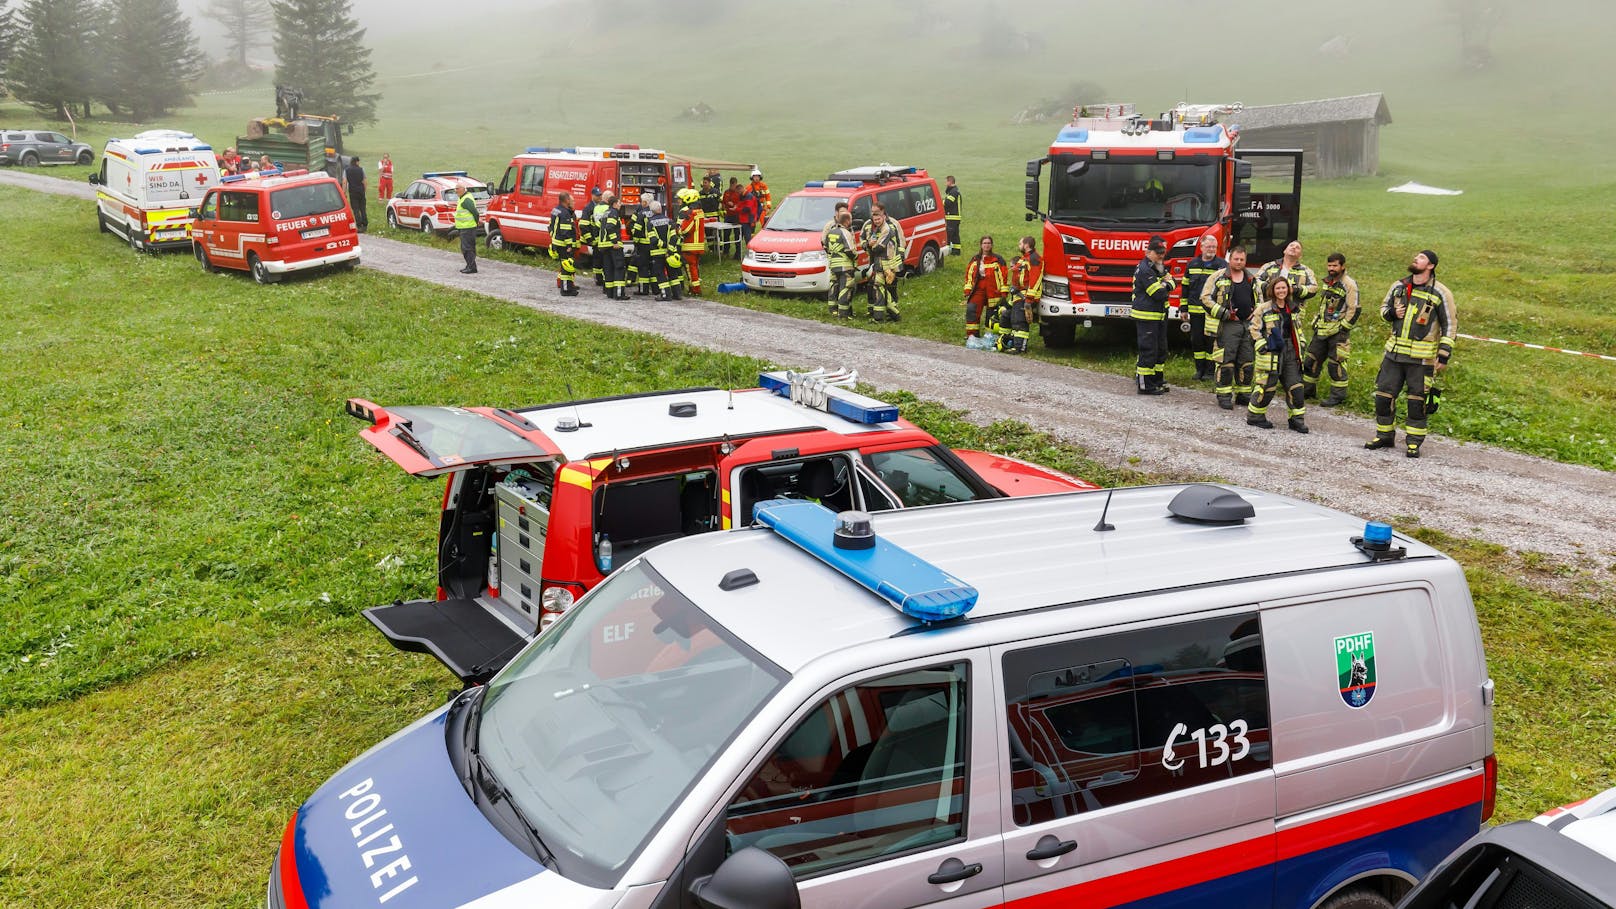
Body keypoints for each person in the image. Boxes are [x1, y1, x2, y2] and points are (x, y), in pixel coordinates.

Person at [1366, 250, 1456, 458]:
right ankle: (1385, 436)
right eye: (1416, 257)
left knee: (1417, 402)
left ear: (1431, 266)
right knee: (1383, 397)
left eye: (1421, 258)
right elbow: (1383, 308)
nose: (1416, 259)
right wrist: (1391, 314)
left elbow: (1450, 325)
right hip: (1394, 354)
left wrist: (1443, 354)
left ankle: (1414, 442)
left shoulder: (1440, 293)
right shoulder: (1399, 286)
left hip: (1421, 359)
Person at [1246, 276, 1309, 432]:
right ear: (1272, 290)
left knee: (1296, 387)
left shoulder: (1293, 308)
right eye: (1278, 288)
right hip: (1271, 352)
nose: (1281, 291)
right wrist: (1262, 346)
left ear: (1288, 289)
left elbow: (1298, 329)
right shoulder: (1264, 308)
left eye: (1284, 288)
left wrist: (1301, 343)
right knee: (1266, 388)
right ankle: (1255, 416)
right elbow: (1253, 329)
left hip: (1290, 351)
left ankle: (1296, 420)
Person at [1202, 246, 1260, 409]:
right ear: (1230, 259)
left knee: (1247, 362)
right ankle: (1224, 395)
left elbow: (1260, 299)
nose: (1239, 262)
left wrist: (1255, 312)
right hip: (1227, 325)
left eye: (1242, 259)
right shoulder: (1218, 277)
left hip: (1247, 326)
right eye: (1236, 259)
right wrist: (1225, 314)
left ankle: (1243, 395)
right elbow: (1205, 299)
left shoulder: (1251, 278)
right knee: (1226, 362)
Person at [1302, 252, 1361, 407]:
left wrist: (1343, 328)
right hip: (1321, 330)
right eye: (1329, 265)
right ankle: (1307, 391)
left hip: (1337, 333)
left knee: (1336, 365)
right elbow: (1325, 305)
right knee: (1311, 361)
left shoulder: (1349, 284)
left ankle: (1337, 397)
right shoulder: (1328, 282)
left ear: (1342, 266)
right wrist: (1317, 322)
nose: (1331, 268)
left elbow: (1354, 309)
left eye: (1335, 265)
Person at [1131, 235, 1173, 394]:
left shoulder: (1157, 266)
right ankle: (1144, 385)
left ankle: (1156, 379)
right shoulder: (1145, 269)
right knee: (1148, 350)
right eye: (1158, 252)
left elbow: (1171, 281)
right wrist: (1166, 284)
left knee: (1160, 350)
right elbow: (1158, 293)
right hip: (1147, 316)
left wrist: (1165, 284)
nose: (1161, 255)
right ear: (1148, 252)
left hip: (1158, 315)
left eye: (1163, 252)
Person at [1181, 235, 1226, 380]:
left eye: (1214, 247)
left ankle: (1209, 371)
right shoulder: (1192, 264)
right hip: (1195, 312)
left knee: (1211, 341)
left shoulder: (1222, 265)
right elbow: (1185, 287)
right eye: (1208, 246)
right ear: (1201, 247)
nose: (1211, 249)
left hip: (1212, 313)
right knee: (1197, 341)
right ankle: (1199, 370)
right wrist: (1183, 308)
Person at [860, 202, 905, 322]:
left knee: (889, 287)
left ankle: (892, 312)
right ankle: (875, 312)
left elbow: (899, 241)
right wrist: (866, 245)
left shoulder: (891, 225)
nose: (874, 215)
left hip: (889, 262)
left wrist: (900, 257)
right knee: (874, 287)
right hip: (875, 261)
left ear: (883, 213)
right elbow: (862, 238)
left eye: (876, 212)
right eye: (872, 212)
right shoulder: (869, 224)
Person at [961, 235, 1009, 342]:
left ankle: (990, 336)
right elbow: (969, 274)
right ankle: (972, 335)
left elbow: (1003, 276)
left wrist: (1004, 292)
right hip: (979, 288)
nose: (986, 245)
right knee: (972, 310)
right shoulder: (975, 259)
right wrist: (967, 290)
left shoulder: (998, 259)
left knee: (992, 313)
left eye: (988, 243)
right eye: (984, 243)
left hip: (993, 289)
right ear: (981, 245)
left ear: (991, 245)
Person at [1001, 235, 1042, 354]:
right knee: (1010, 317)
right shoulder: (1024, 258)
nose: (1019, 246)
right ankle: (1010, 342)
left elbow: (1035, 280)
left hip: (1027, 296)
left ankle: (1020, 348)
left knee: (1020, 320)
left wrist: (1029, 300)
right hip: (1018, 295)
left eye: (1020, 244)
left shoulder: (1034, 259)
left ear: (1026, 245)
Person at [1256, 240, 1319, 304]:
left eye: (1297, 248)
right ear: (1284, 251)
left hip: (1294, 311)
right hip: (1269, 309)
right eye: (1291, 245)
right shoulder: (1269, 266)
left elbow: (1314, 288)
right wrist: (1269, 288)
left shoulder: (1306, 270)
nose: (1294, 247)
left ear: (1300, 256)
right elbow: (1256, 280)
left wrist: (1295, 290)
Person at [647, 199, 682, 300]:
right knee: (673, 273)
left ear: (651, 211)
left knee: (660, 274)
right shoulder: (669, 220)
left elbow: (653, 240)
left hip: (657, 253)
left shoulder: (650, 223)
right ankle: (677, 294)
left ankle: (666, 295)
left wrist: (663, 245)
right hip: (669, 253)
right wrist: (669, 250)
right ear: (660, 209)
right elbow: (674, 237)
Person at [825, 211, 858, 319]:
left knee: (834, 287)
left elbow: (826, 246)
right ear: (847, 221)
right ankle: (843, 315)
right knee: (845, 288)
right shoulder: (845, 232)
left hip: (834, 265)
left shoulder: (831, 232)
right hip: (845, 266)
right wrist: (856, 256)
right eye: (851, 219)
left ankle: (833, 311)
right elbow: (849, 250)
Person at [596, 191, 627, 299]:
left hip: (604, 245)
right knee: (619, 268)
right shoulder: (614, 213)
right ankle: (619, 294)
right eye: (619, 203)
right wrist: (614, 242)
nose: (620, 204)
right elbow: (609, 227)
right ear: (614, 204)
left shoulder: (606, 212)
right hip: (612, 245)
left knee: (608, 269)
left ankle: (609, 292)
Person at [547, 191, 579, 296]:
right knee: (566, 266)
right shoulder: (565, 213)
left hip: (556, 242)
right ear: (566, 200)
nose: (571, 201)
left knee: (565, 265)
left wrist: (553, 237)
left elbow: (550, 226)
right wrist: (569, 245)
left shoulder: (555, 210)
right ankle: (566, 290)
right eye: (569, 199)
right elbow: (565, 231)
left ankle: (569, 286)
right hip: (563, 244)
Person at [677, 187, 707, 295]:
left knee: (691, 269)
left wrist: (678, 230)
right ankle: (694, 289)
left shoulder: (691, 213)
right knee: (695, 268)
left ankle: (695, 290)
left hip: (690, 246)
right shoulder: (700, 211)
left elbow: (685, 229)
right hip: (699, 245)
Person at [455, 179, 480, 274]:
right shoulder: (462, 198)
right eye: (455, 189)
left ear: (463, 189)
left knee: (467, 248)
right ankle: (470, 265)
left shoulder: (466, 200)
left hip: (468, 228)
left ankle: (472, 267)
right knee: (467, 247)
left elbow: (475, 213)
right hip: (464, 227)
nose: (456, 190)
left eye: (457, 188)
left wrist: (476, 223)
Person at [343, 156, 367, 231]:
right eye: (358, 161)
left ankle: (359, 226)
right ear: (356, 162)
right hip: (361, 191)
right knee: (362, 208)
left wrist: (344, 192)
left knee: (356, 209)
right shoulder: (361, 169)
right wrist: (364, 190)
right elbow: (365, 181)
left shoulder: (346, 170)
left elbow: (344, 182)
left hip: (353, 192)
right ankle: (365, 225)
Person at [942, 175, 962, 257]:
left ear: (950, 182)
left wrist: (941, 202)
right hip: (956, 217)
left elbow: (947, 203)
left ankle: (947, 251)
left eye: (946, 182)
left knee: (948, 235)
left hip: (952, 217)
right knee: (955, 235)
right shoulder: (955, 191)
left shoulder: (953, 192)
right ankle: (956, 251)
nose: (945, 184)